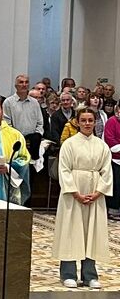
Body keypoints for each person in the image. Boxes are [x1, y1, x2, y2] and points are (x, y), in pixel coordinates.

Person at [52, 107, 113, 289]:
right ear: (77, 122)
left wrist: (98, 192)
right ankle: (68, 273)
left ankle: (90, 275)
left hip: (94, 193)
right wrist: (75, 193)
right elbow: (64, 170)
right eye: (83, 120)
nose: (87, 124)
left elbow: (107, 171)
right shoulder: (69, 144)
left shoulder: (101, 146)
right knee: (71, 230)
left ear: (95, 122)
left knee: (91, 232)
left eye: (90, 120)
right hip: (73, 195)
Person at [104, 102, 120, 220]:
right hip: (115, 159)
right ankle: (113, 210)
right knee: (116, 185)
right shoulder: (112, 121)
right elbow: (110, 140)